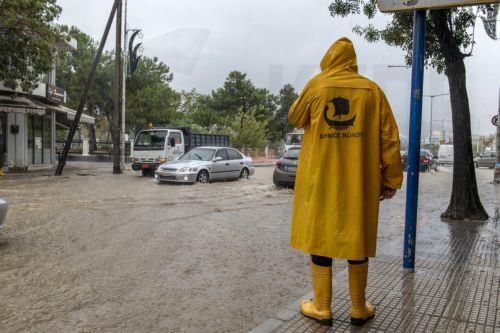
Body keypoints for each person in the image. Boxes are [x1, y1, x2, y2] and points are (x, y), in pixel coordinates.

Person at [288, 37, 403, 327]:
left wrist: (309, 91)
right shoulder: (372, 91)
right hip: (360, 183)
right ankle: (358, 308)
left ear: (328, 59)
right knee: (357, 240)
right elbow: (390, 140)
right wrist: (390, 180)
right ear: (352, 61)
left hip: (321, 182)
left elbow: (295, 117)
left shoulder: (317, 85)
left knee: (321, 238)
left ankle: (322, 308)